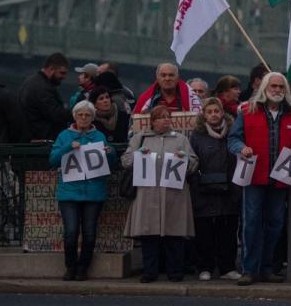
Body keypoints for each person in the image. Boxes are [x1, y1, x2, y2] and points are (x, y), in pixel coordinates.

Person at [227, 71, 291, 286]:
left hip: (280, 179)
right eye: (274, 86)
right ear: (264, 88)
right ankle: (249, 269)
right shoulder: (247, 110)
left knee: (275, 224)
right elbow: (233, 138)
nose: (278, 90)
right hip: (253, 176)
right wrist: (241, 148)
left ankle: (267, 267)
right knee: (251, 223)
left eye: (281, 87)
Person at [123, 105, 198, 282]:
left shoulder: (180, 139)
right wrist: (137, 155)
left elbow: (194, 162)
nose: (166, 120)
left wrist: (185, 161)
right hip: (147, 193)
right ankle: (150, 271)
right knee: (149, 235)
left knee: (174, 234)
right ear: (153, 121)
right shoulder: (139, 138)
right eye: (161, 117)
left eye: (168, 117)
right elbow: (125, 161)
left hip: (174, 194)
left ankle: (175, 272)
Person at [49, 101, 116, 281]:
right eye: (80, 115)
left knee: (89, 233)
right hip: (69, 192)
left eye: (87, 115)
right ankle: (70, 266)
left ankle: (83, 268)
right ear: (75, 116)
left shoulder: (99, 136)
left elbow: (112, 163)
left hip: (94, 191)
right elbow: (53, 160)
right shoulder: (64, 135)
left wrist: (110, 152)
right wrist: (69, 146)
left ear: (93, 117)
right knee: (70, 232)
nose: (84, 118)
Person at [189, 97, 240, 282]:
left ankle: (228, 267)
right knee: (204, 233)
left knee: (227, 232)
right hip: (203, 191)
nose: (213, 115)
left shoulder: (233, 133)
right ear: (204, 114)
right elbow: (192, 160)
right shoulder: (196, 135)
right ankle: (205, 266)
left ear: (222, 112)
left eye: (216, 111)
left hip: (229, 190)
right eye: (209, 112)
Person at [19, 52, 73, 141]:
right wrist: (78, 112)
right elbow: (56, 114)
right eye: (62, 73)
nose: (64, 77)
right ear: (51, 69)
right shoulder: (42, 88)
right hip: (42, 140)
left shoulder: (31, 81)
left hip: (32, 137)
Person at [134, 63, 200, 114]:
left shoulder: (191, 98)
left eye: (171, 75)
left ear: (177, 78)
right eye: (163, 75)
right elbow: (133, 124)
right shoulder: (145, 100)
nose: (167, 78)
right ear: (157, 78)